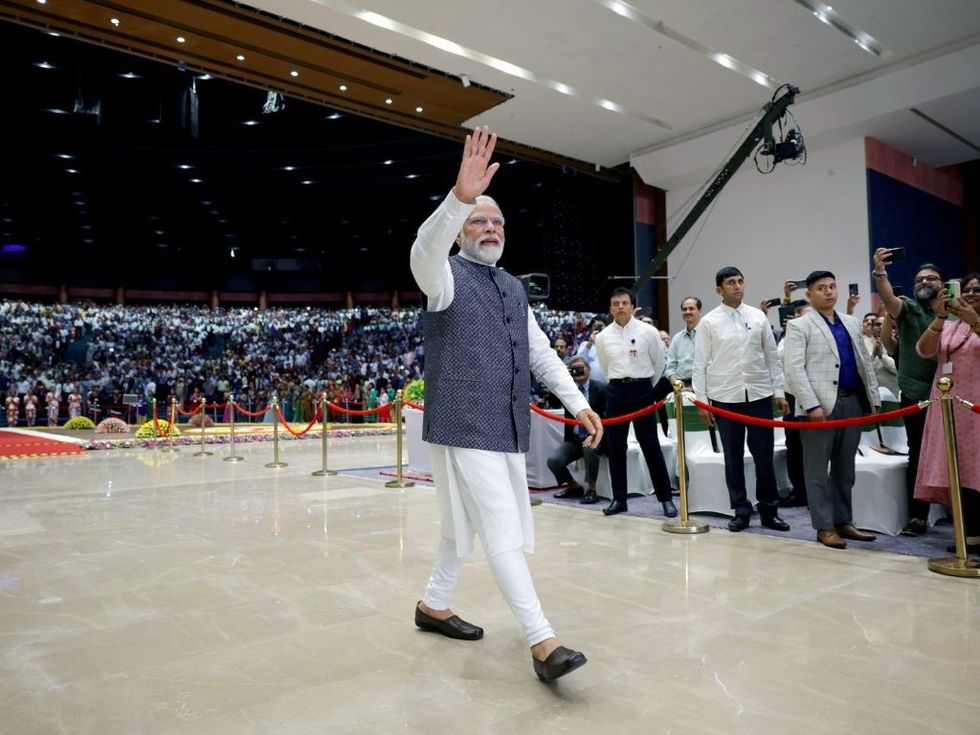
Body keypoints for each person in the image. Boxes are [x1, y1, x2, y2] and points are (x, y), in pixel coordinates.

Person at [409, 126, 602, 682]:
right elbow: (424, 250)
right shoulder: (442, 279)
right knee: (499, 527)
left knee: (459, 528)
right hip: (464, 423)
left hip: (505, 424)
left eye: (496, 221)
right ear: (461, 232)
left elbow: (541, 355)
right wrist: (458, 198)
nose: (490, 227)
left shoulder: (514, 288)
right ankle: (543, 641)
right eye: (478, 220)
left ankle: (432, 605)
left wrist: (576, 402)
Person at [783, 271, 880, 549]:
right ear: (810, 294)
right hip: (820, 406)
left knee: (844, 468)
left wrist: (871, 400)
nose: (829, 292)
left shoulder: (850, 322)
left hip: (852, 401)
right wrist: (811, 404)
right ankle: (824, 526)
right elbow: (793, 369)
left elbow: (864, 364)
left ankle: (843, 520)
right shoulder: (800, 325)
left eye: (832, 286)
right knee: (816, 470)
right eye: (821, 288)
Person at [692, 267, 791, 533]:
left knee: (764, 457)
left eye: (740, 282)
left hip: (759, 396)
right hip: (725, 398)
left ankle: (769, 510)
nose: (737, 286)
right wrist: (702, 402)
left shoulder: (758, 317)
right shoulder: (709, 322)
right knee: (733, 458)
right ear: (719, 290)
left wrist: (779, 392)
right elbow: (699, 364)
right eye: (730, 283)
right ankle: (741, 509)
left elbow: (772, 358)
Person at [872, 250, 940, 536]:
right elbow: (888, 299)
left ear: (943, 284)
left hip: (955, 396)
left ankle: (963, 517)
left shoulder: (956, 311)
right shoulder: (909, 310)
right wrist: (880, 271)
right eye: (919, 278)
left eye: (931, 278)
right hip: (916, 396)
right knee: (919, 455)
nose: (924, 281)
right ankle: (918, 517)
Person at [594, 287, 677, 518]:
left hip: (642, 389)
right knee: (615, 447)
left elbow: (659, 362)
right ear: (610, 308)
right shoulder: (602, 337)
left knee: (650, 445)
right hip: (616, 391)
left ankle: (666, 499)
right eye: (616, 303)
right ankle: (619, 499)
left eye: (624, 303)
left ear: (632, 306)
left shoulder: (648, 332)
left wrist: (646, 387)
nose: (620, 307)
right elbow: (604, 366)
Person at [914, 272, 980, 555]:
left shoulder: (971, 322)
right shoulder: (950, 326)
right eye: (967, 289)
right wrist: (940, 317)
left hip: (976, 409)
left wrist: (972, 319)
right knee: (959, 472)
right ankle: (971, 534)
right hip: (950, 408)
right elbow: (924, 350)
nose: (972, 293)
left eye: (978, 290)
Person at [549, 356, 606, 505]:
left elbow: (608, 417)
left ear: (589, 369)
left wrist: (595, 434)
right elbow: (552, 401)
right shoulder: (568, 391)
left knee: (589, 447)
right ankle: (573, 486)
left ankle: (591, 490)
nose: (578, 371)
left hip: (597, 437)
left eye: (581, 367)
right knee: (553, 460)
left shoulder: (601, 388)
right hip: (574, 439)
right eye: (574, 369)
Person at [665, 297, 701, 387]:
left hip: (703, 387)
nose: (687, 312)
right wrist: (679, 387)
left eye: (691, 308)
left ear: (699, 311)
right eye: (684, 309)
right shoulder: (677, 338)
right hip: (680, 387)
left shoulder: (708, 335)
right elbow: (670, 368)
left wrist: (694, 387)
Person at [861, 312, 899, 397]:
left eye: (884, 325)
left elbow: (897, 369)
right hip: (869, 393)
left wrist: (882, 357)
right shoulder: (862, 343)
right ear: (872, 328)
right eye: (877, 325)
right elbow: (862, 369)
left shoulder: (896, 343)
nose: (881, 327)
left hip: (893, 392)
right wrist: (873, 355)